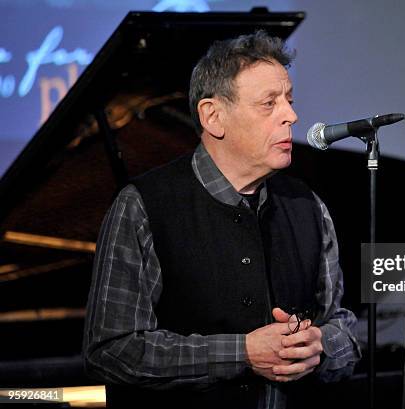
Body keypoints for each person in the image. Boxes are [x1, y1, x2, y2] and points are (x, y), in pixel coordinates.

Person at [83, 30, 361, 408]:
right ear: (213, 116)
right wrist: (242, 352)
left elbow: (343, 327)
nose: (292, 115)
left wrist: (321, 347)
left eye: (289, 100)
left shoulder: (307, 206)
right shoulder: (143, 206)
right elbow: (112, 351)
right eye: (269, 103)